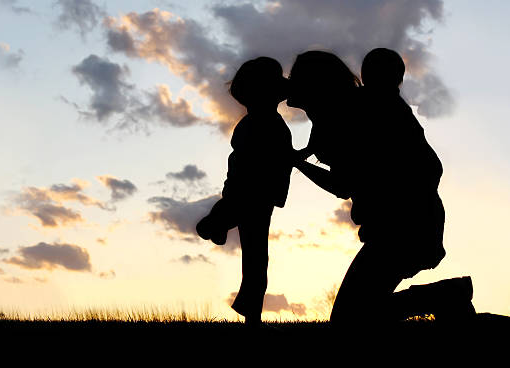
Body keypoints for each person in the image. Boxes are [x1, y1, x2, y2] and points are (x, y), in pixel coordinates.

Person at [288, 49, 474, 325]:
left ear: (316, 87)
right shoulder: (355, 109)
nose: (290, 85)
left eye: (296, 79)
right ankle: (446, 296)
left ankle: (446, 295)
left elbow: (342, 183)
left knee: (349, 320)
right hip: (405, 226)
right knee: (356, 316)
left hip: (403, 229)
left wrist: (295, 162)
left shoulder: (355, 114)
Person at [196, 56, 298, 326]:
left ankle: (250, 312)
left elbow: (283, 157)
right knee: (255, 257)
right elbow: (248, 163)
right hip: (253, 193)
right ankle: (217, 221)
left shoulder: (262, 122)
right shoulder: (259, 124)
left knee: (256, 258)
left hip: (257, 195)